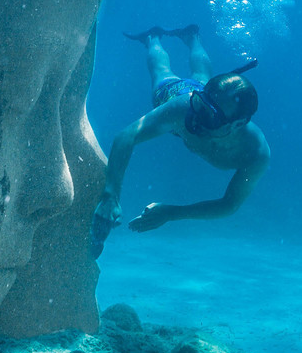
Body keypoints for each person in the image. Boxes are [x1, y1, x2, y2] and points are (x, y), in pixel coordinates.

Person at [92, 25, 269, 254]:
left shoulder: (256, 154)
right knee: (162, 73)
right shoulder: (184, 107)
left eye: (210, 117)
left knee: (203, 79)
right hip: (179, 93)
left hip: (203, 95)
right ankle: (152, 38)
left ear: (238, 124)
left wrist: (170, 212)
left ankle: (192, 37)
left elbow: (229, 204)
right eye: (199, 105)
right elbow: (126, 136)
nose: (196, 120)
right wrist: (110, 195)